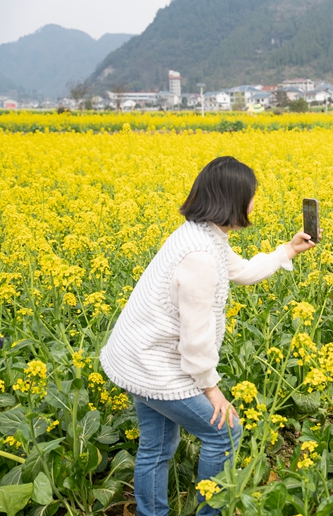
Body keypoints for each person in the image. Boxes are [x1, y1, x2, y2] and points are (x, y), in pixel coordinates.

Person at [100, 156, 316, 516]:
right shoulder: (199, 255)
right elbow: (195, 338)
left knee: (156, 447)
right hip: (155, 365)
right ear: (232, 201)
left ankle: (150, 513)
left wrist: (288, 250)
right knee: (225, 432)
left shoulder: (201, 234)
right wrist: (211, 389)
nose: (253, 204)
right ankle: (210, 512)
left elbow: (242, 270)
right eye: (251, 196)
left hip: (136, 357)